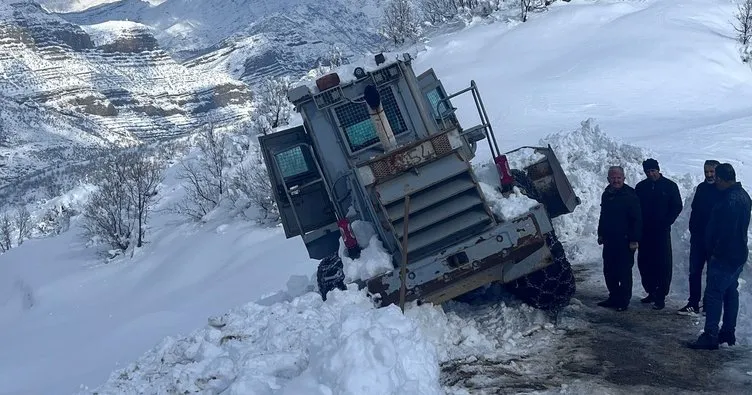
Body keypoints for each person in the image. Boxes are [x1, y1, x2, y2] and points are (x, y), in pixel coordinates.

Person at [688, 163, 751, 350]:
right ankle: (728, 332)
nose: (715, 182)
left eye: (717, 179)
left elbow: (725, 231)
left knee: (714, 293)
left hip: (725, 254)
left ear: (722, 179)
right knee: (731, 292)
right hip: (738, 253)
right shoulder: (744, 196)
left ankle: (710, 334)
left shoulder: (729, 201)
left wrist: (715, 250)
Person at [635, 158, 683, 310]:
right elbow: (635, 208)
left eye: (653, 171)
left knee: (662, 264)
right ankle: (650, 291)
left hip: (661, 232)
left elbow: (677, 206)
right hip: (645, 232)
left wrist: (666, 221)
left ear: (658, 170)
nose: (651, 174)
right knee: (645, 263)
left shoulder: (669, 186)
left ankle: (661, 295)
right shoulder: (641, 187)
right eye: (648, 172)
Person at [678, 160, 722, 315]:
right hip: (698, 238)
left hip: (715, 241)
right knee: (695, 271)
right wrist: (693, 229)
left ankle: (709, 305)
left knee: (712, 273)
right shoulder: (702, 188)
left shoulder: (722, 190)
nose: (709, 175)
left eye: (712, 172)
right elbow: (695, 210)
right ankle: (693, 302)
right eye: (706, 172)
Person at [597, 166, 642, 311]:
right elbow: (603, 215)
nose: (616, 180)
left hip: (625, 240)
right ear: (608, 179)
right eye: (613, 178)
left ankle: (623, 301)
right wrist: (601, 233)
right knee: (609, 270)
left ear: (624, 178)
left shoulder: (630, 195)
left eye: (618, 178)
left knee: (623, 271)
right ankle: (613, 296)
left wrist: (634, 239)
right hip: (610, 239)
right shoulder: (607, 194)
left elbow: (637, 219)